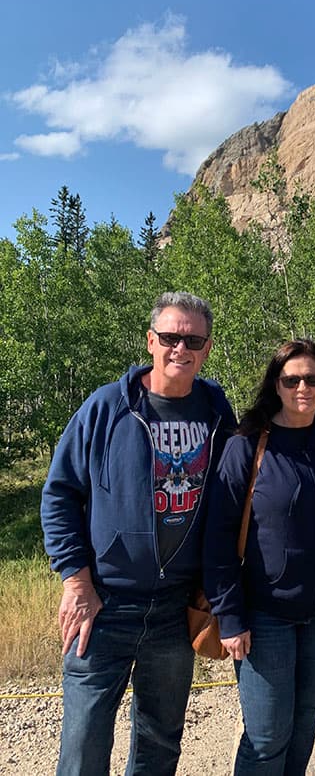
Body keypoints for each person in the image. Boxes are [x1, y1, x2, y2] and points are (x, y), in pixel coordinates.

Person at [41, 291, 237, 776]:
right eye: (170, 337)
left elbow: (233, 501)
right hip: (104, 605)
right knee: (84, 743)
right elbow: (59, 494)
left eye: (193, 339)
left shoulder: (216, 413)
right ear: (150, 341)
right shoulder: (107, 408)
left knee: (159, 743)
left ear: (207, 348)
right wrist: (76, 581)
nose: (180, 348)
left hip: (176, 609)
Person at [203, 339, 315, 775]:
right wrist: (230, 616)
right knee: (267, 738)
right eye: (292, 380)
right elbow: (219, 537)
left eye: (312, 378)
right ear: (276, 385)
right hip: (263, 614)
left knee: (304, 726)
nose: (302, 387)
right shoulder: (248, 446)